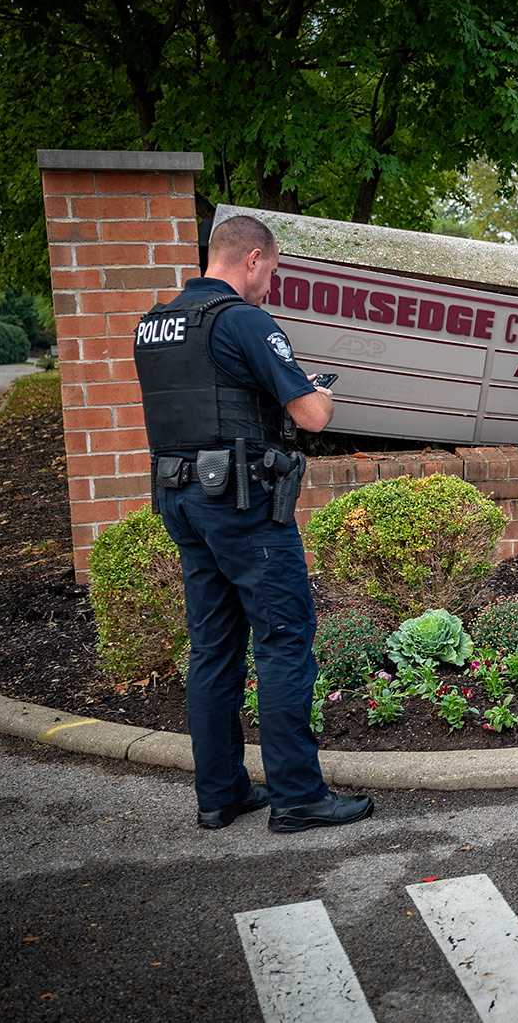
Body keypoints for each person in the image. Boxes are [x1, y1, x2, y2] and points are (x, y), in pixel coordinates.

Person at [133, 215, 373, 834]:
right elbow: (314, 415)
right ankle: (298, 797)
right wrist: (316, 389)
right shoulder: (242, 320)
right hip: (243, 508)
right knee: (284, 642)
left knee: (213, 648)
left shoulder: (155, 325)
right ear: (251, 258)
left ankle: (220, 793)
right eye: (271, 269)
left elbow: (203, 401)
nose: (271, 282)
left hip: (181, 501)